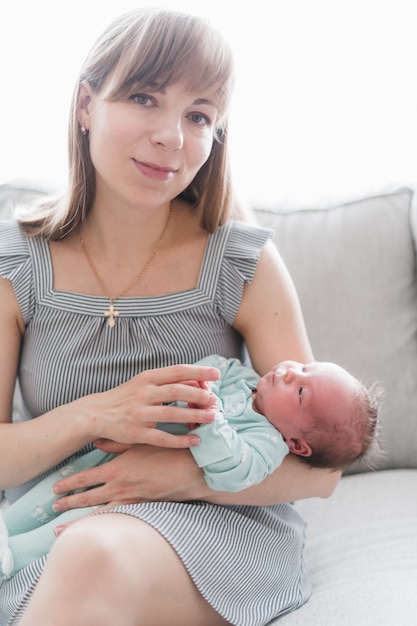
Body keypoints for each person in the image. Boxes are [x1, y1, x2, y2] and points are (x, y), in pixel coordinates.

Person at [0, 8, 342, 626]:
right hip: (49, 519)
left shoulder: (242, 261)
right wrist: (99, 415)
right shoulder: (15, 264)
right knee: (82, 550)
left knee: (91, 556)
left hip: (212, 523)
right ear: (85, 104)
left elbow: (322, 470)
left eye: (199, 115)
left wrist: (176, 476)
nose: (172, 137)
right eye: (144, 96)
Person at [0, 355, 380, 581]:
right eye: (304, 367)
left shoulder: (267, 447)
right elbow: (210, 371)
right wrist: (197, 382)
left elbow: (231, 469)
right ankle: (8, 525)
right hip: (119, 452)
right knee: (56, 490)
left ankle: (15, 559)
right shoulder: (243, 379)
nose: (289, 372)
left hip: (151, 499)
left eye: (300, 392)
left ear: (298, 444)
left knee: (76, 518)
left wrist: (208, 416)